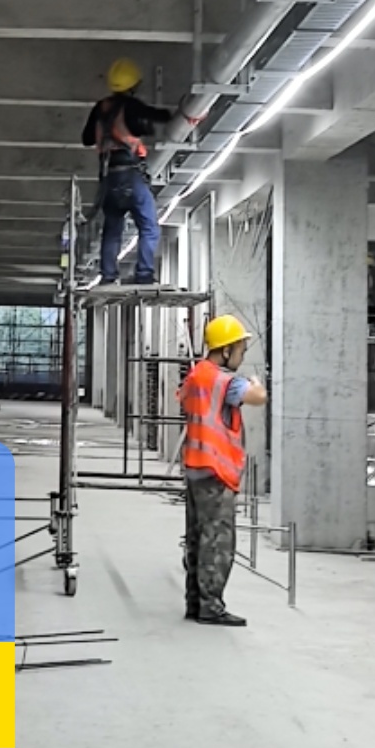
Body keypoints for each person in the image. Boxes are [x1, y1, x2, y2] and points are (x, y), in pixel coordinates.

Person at [179, 314, 266, 625]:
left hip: (195, 466)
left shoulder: (196, 376)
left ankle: (195, 602)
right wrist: (256, 382)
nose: (242, 356)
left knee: (197, 537)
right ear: (226, 350)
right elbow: (258, 397)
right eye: (240, 349)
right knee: (217, 540)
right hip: (217, 470)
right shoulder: (225, 381)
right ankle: (211, 607)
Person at [81, 58, 173, 284]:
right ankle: (144, 274)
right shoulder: (131, 106)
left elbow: (87, 138)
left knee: (112, 229)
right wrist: (171, 115)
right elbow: (154, 120)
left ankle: (108, 276)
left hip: (108, 179)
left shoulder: (100, 108)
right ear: (134, 84)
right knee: (149, 227)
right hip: (131, 175)